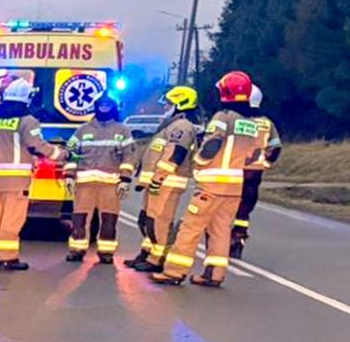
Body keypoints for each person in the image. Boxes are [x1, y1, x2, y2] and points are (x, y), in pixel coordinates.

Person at [154, 71, 271, 287]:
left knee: (190, 228)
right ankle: (214, 275)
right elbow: (257, 154)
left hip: (211, 185)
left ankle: (174, 272)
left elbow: (213, 144)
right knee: (221, 231)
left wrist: (199, 160)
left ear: (226, 92)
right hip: (235, 187)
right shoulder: (252, 123)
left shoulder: (223, 117)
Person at [0, 78, 62, 270]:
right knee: (12, 218)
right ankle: (7, 257)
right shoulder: (28, 121)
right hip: (17, 180)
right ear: (25, 98)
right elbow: (36, 145)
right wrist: (61, 154)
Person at [126, 86, 202, 272]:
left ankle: (156, 260)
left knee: (159, 222)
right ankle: (146, 253)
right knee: (148, 220)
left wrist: (159, 177)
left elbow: (175, 154)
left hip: (167, 182)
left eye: (169, 104)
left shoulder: (182, 127)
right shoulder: (171, 125)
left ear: (180, 103)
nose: (165, 107)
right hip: (156, 182)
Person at [64, 95, 135, 264]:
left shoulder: (122, 130)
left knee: (109, 219)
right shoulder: (82, 130)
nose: (104, 107)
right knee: (79, 219)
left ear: (113, 107)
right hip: (84, 183)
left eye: (108, 105)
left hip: (110, 183)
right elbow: (71, 153)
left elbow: (129, 156)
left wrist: (125, 179)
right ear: (95, 107)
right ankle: (77, 250)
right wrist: (69, 176)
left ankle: (106, 253)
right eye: (101, 104)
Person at [231, 85, 281, 258]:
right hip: (254, 173)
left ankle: (218, 242)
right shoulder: (267, 123)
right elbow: (275, 147)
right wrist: (265, 163)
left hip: (233, 170)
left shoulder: (234, 120)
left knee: (223, 208)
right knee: (244, 210)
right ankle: (238, 238)